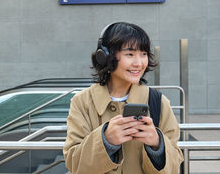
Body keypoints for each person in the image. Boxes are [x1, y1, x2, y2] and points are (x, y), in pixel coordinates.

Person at [63, 22, 184, 174]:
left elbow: (174, 166)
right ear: (105, 56)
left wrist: (157, 145)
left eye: (144, 54)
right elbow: (74, 164)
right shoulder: (82, 102)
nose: (139, 63)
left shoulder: (158, 102)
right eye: (130, 54)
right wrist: (106, 141)